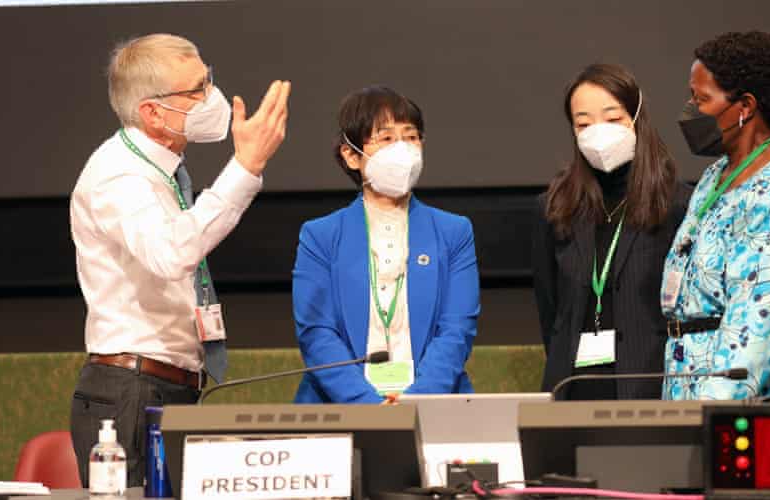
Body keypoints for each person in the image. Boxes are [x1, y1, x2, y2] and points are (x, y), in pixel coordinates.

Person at [69, 33, 290, 486]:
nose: (212, 98)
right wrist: (245, 168)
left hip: (166, 385)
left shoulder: (163, 170)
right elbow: (171, 254)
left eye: (209, 81)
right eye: (196, 90)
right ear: (152, 111)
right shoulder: (119, 174)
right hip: (130, 391)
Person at [662, 31, 770, 403]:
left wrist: (709, 409)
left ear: (744, 106)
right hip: (697, 379)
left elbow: (758, 316)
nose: (690, 110)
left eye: (702, 99)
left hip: (761, 392)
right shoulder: (717, 175)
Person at [292, 85, 479, 403]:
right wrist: (365, 404)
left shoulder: (453, 231)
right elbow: (316, 333)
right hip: (341, 407)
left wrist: (417, 401)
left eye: (411, 137)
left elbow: (456, 330)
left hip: (434, 403)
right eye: (387, 138)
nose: (403, 149)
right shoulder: (320, 236)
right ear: (351, 155)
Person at [533, 63, 692, 400]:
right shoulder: (556, 206)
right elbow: (550, 310)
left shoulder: (677, 203)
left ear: (636, 118)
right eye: (584, 123)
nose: (598, 131)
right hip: (571, 387)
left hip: (649, 384)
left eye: (613, 118)